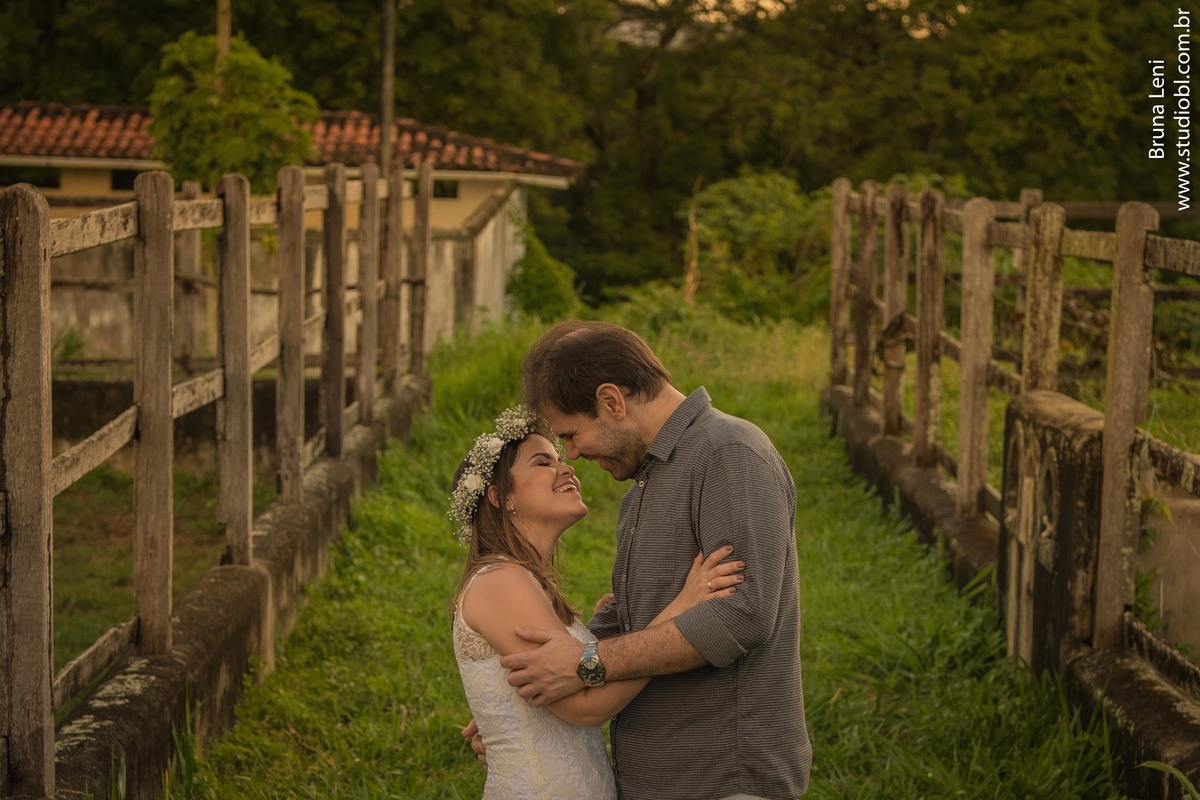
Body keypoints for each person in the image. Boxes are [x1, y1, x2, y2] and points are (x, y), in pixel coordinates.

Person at [480, 320, 812, 800]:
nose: (571, 453)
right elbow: (630, 616)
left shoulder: (729, 455)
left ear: (612, 401)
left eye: (572, 434)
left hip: (722, 773)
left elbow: (740, 618)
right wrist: (520, 709)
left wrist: (588, 663)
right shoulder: (645, 485)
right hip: (657, 776)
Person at [449, 405, 745, 799]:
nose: (567, 468)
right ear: (500, 496)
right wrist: (682, 608)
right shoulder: (501, 580)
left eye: (560, 459)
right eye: (543, 462)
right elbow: (585, 707)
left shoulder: (522, 582)